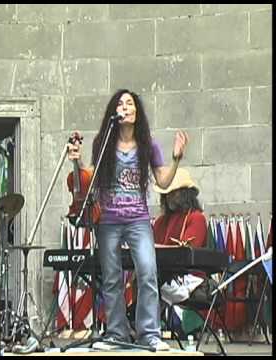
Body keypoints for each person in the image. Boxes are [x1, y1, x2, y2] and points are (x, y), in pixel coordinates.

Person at [67, 89, 188, 351]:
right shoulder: (103, 142)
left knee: (147, 271)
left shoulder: (149, 144)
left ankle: (149, 334)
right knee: (111, 278)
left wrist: (176, 158)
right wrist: (76, 163)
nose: (125, 107)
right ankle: (117, 334)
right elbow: (92, 179)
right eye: (121, 103)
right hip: (108, 220)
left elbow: (163, 181)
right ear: (115, 111)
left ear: (137, 111)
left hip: (138, 220)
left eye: (130, 103)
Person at [153, 168, 208, 337]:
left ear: (185, 194)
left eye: (173, 192)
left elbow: (187, 253)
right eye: (166, 193)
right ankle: (138, 324)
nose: (168, 196)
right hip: (162, 274)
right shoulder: (160, 221)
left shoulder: (196, 218)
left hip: (187, 277)